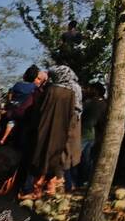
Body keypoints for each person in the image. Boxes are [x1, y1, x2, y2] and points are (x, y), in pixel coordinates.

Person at [21, 64, 81, 200]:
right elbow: (75, 114)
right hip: (64, 132)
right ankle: (52, 190)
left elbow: (38, 111)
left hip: (45, 129)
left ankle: (37, 190)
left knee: (40, 158)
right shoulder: (73, 92)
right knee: (57, 160)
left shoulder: (50, 90)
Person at [75, 82, 107, 189]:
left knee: (77, 159)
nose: (87, 90)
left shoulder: (89, 103)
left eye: (90, 88)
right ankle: (85, 181)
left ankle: (76, 181)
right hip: (94, 136)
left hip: (84, 134)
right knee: (87, 160)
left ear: (96, 91)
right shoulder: (105, 103)